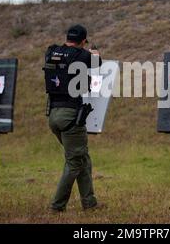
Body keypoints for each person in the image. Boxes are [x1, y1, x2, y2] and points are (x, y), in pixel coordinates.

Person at [44, 24, 102, 212]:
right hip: (71, 116)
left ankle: (89, 202)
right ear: (83, 41)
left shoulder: (52, 51)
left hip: (53, 114)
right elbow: (98, 62)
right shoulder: (83, 55)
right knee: (74, 161)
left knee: (81, 157)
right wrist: (93, 52)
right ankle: (57, 206)